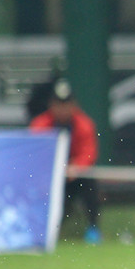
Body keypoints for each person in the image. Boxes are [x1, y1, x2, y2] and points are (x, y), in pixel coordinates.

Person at [28, 78, 102, 243]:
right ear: (51, 105)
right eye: (59, 104)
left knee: (90, 185)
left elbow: (89, 152)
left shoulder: (84, 124)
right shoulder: (40, 125)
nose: (62, 109)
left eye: (66, 104)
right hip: (49, 176)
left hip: (74, 176)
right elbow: (35, 154)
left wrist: (76, 167)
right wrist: (54, 169)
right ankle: (40, 229)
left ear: (73, 105)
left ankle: (93, 228)